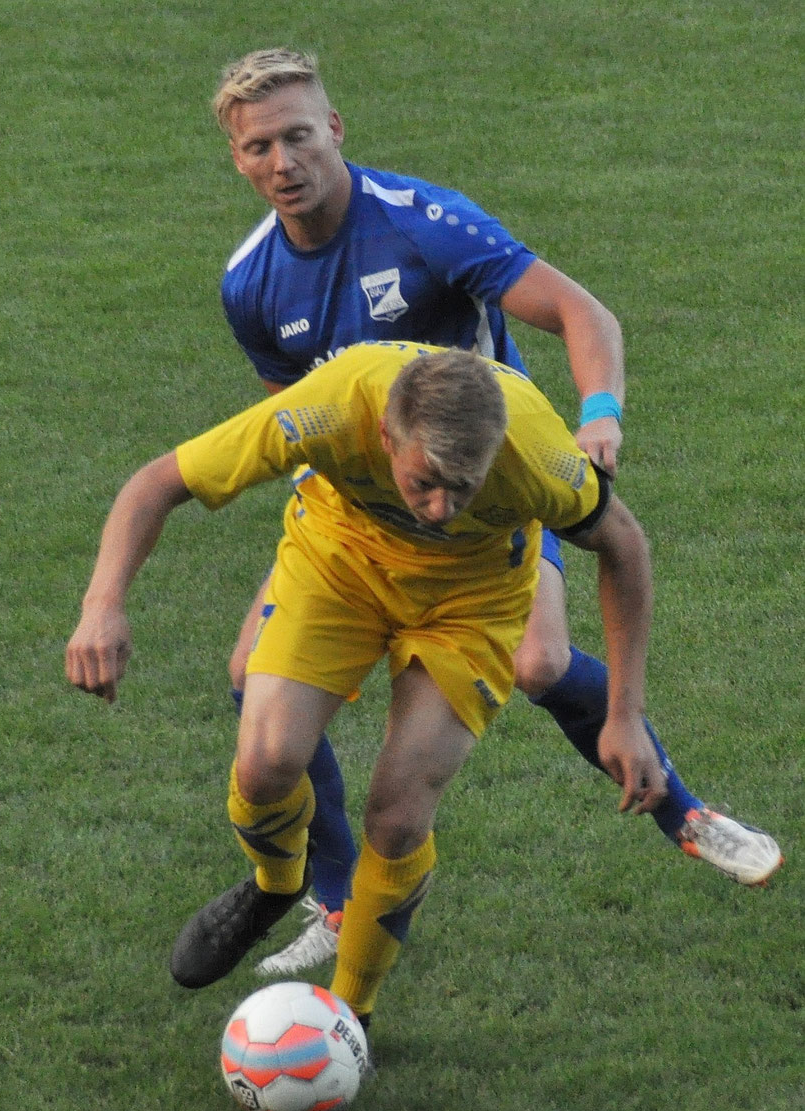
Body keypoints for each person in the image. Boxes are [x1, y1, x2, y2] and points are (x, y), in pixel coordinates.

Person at [202, 46, 782, 977]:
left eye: (300, 135)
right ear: (237, 156)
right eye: (262, 145)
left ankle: (683, 808)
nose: (285, 161)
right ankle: (338, 896)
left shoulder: (423, 227)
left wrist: (599, 421)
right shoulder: (251, 283)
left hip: (479, 489)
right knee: (247, 680)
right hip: (358, 507)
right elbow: (293, 420)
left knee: (542, 659)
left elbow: (582, 315)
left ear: (335, 130)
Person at [67, 340, 674, 1030]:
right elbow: (157, 482)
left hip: (470, 603)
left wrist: (623, 714)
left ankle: (348, 1018)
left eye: (463, 488)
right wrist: (102, 605)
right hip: (339, 567)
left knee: (399, 812)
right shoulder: (326, 408)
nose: (442, 508)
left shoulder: (537, 455)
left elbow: (625, 545)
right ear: (386, 433)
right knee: (266, 764)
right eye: (423, 483)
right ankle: (275, 884)